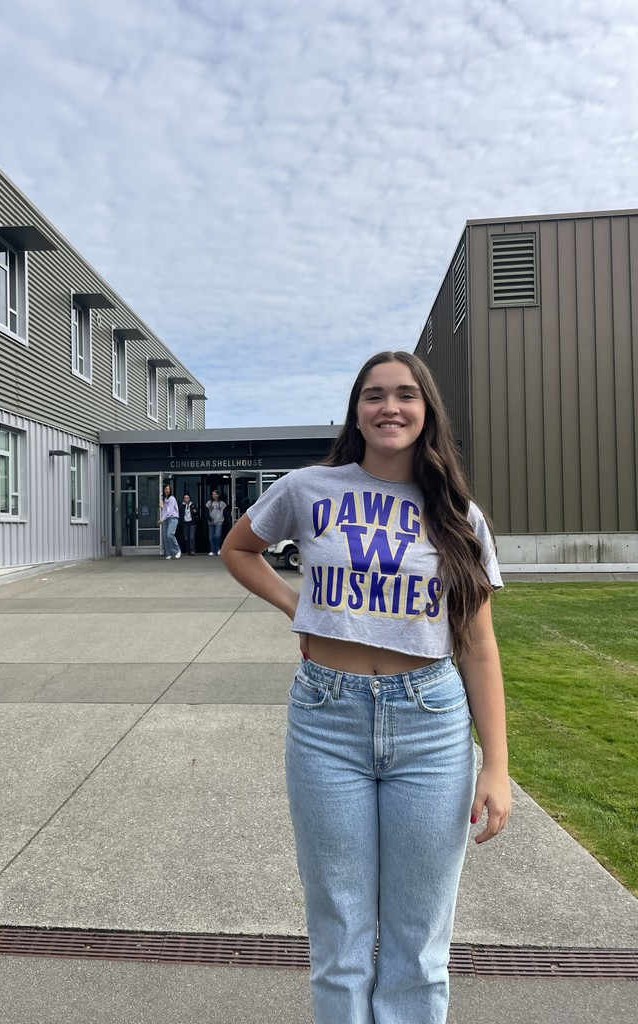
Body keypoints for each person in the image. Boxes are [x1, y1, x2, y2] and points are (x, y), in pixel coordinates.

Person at [220, 351, 510, 1024]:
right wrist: (300, 608)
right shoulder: (308, 489)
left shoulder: (459, 515)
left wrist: (495, 763)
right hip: (327, 721)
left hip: (432, 724)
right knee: (340, 936)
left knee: (419, 944)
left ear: (426, 409)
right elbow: (239, 549)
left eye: (406, 395)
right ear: (357, 411)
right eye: (374, 395)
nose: (390, 407)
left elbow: (478, 645)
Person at [159, 483, 181, 559]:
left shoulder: (172, 498)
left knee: (170, 535)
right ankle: (169, 553)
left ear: (170, 490)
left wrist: (162, 519)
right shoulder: (164, 499)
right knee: (165, 536)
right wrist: (162, 507)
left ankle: (177, 551)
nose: (167, 490)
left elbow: (170, 511)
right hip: (166, 519)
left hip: (172, 518)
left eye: (168, 489)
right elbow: (164, 511)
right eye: (166, 489)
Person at [205, 489, 227, 555]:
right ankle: (212, 550)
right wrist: (208, 518)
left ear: (218, 495)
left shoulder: (222, 503)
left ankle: (218, 548)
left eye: (215, 494)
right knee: (211, 536)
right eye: (212, 494)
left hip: (219, 521)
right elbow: (205, 512)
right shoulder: (209, 503)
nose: (213, 495)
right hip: (211, 522)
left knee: (217, 535)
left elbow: (226, 512)